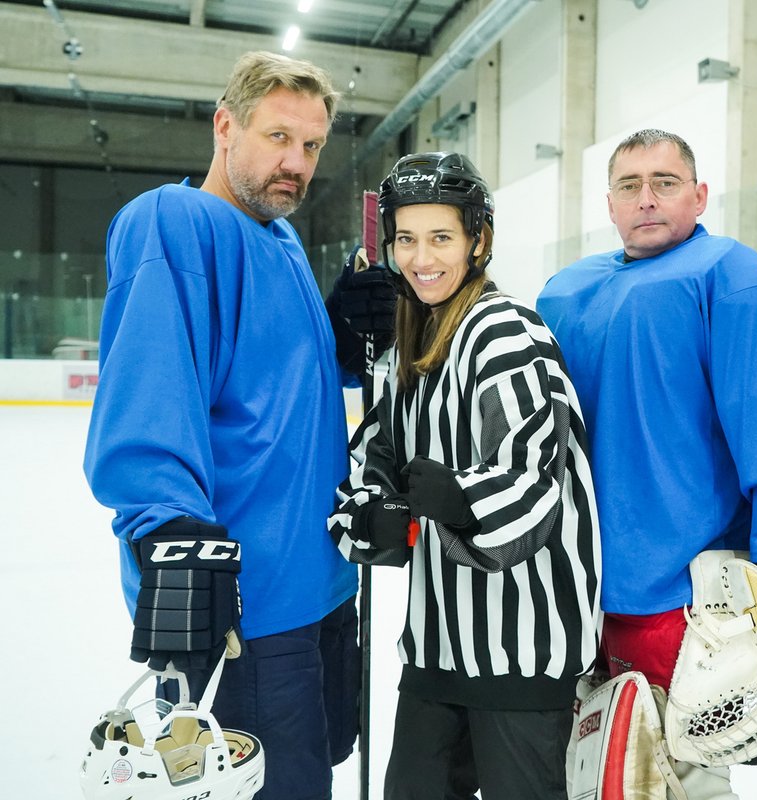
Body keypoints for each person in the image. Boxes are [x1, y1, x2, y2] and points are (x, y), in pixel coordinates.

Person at [536, 129, 757, 797]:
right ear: (611, 204)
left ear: (700, 195)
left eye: (666, 183)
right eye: (629, 185)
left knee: (683, 781)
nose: (647, 199)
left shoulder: (729, 276)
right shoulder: (564, 293)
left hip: (687, 604)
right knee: (592, 779)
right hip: (573, 598)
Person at [83, 51, 360, 800]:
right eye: (277, 137)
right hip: (244, 605)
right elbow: (152, 386)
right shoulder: (175, 222)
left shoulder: (282, 240)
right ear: (225, 125)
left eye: (311, 146)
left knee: (310, 774)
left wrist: (347, 338)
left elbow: (277, 382)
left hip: (321, 589)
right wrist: (167, 525)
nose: (295, 163)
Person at [327, 151, 602, 800]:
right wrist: (371, 516)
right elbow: (375, 459)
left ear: (479, 241)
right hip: (434, 653)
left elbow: (535, 487)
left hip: (524, 655)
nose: (422, 258)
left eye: (441, 237)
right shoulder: (409, 348)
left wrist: (458, 498)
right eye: (407, 239)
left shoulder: (505, 333)